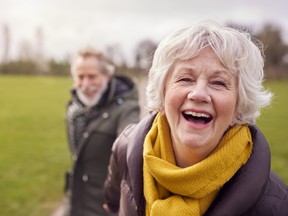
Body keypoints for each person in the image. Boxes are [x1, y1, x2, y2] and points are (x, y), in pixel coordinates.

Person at [103, 21, 288, 216]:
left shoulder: (276, 206)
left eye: (218, 83)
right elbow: (111, 205)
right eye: (185, 79)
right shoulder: (125, 147)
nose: (198, 94)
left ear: (239, 105)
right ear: (162, 92)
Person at [64, 46, 140, 216]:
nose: (85, 84)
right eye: (80, 77)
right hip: (75, 204)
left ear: (107, 76)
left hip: (105, 208)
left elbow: (130, 146)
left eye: (92, 76)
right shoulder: (73, 109)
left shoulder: (127, 109)